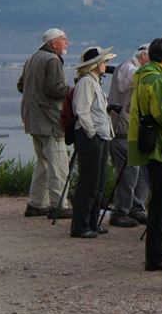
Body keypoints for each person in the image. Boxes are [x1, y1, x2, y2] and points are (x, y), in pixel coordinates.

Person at [128, 37, 162, 272]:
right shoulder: (158, 81)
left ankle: (160, 250)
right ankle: (158, 256)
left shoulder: (144, 76)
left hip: (152, 146)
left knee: (160, 200)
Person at [17, 28, 73, 219]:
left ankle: (37, 203)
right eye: (64, 40)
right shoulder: (52, 60)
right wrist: (72, 90)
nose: (67, 43)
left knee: (43, 162)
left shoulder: (33, 58)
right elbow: (56, 89)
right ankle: (60, 205)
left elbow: (20, 85)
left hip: (32, 118)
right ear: (53, 43)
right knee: (58, 162)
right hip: (49, 119)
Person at [70, 47, 117, 238]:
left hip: (101, 135)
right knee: (88, 182)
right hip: (91, 137)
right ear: (96, 64)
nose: (106, 64)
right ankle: (80, 226)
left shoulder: (95, 81)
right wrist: (91, 133)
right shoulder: (87, 82)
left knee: (98, 182)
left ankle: (92, 223)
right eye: (104, 61)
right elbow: (81, 110)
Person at [107, 44, 150, 228]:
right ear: (144, 55)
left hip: (136, 129)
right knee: (128, 173)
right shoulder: (127, 68)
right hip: (123, 129)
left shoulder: (136, 68)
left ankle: (136, 208)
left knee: (142, 172)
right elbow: (137, 77)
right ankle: (120, 212)